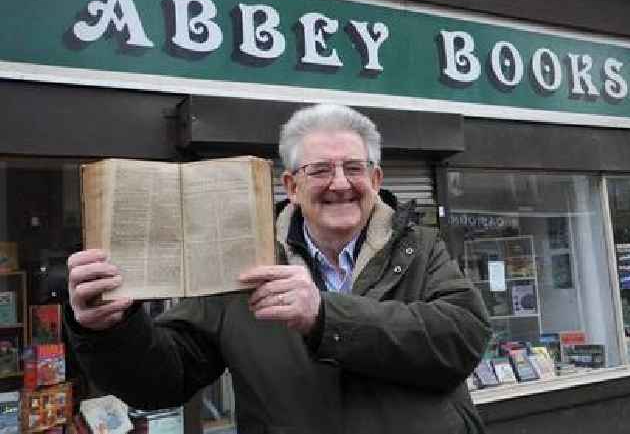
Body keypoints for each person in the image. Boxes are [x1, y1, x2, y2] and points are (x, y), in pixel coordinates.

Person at [66, 104, 492, 433]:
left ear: (376, 179)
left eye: (353, 168)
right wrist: (110, 330)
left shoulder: (419, 247)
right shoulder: (244, 264)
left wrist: (325, 317)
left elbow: (462, 338)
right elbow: (164, 378)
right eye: (320, 170)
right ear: (291, 186)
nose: (340, 183)